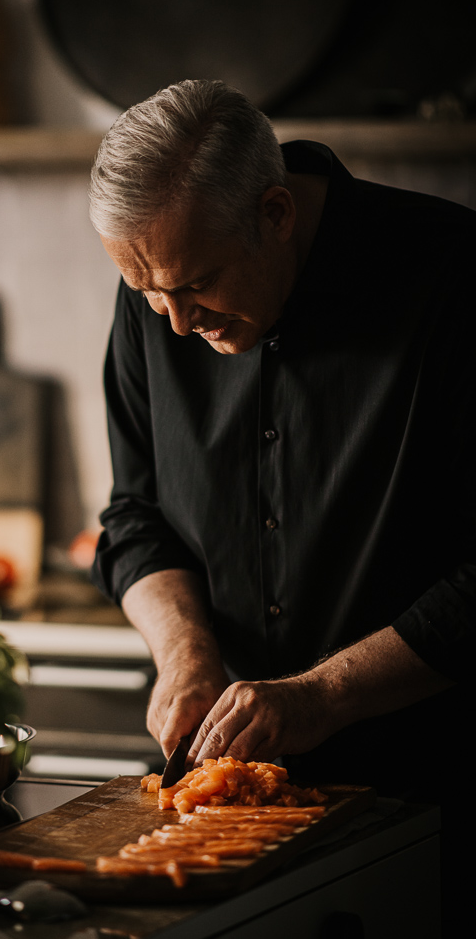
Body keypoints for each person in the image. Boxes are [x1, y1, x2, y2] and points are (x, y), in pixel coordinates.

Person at [89, 79, 473, 799]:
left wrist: (322, 696)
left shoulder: (455, 277)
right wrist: (184, 652)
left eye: (196, 285)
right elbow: (135, 516)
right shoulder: (162, 286)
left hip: (434, 786)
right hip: (228, 787)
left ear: (275, 214)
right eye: (148, 294)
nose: (176, 325)